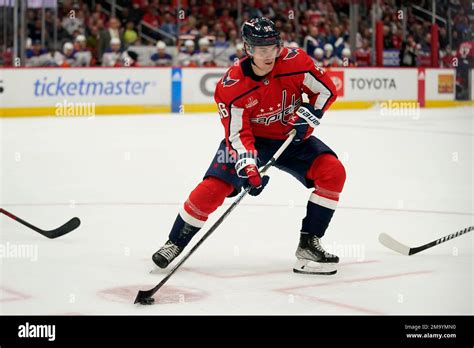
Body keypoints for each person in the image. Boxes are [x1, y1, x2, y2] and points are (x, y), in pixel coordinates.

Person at [152, 17, 345, 275]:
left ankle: (309, 244)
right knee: (213, 189)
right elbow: (238, 134)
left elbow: (326, 91)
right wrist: (248, 169)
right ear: (248, 49)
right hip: (250, 141)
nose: (269, 55)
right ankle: (174, 243)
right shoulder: (232, 86)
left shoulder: (295, 62)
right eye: (261, 49)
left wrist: (308, 118)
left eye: (273, 48)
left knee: (332, 172)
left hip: (291, 137)